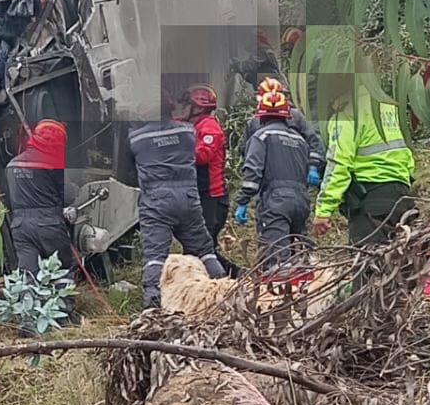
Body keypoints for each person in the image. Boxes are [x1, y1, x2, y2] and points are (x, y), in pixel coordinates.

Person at [124, 91, 227, 308]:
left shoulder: (136, 139)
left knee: (155, 257)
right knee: (205, 250)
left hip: (156, 203)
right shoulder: (188, 131)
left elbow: (128, 171)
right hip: (189, 199)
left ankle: (152, 306)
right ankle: (225, 293)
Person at [312, 85, 416, 246]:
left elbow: (338, 165)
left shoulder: (347, 114)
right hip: (403, 197)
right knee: (403, 265)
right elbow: (407, 153)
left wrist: (323, 211)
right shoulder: (388, 108)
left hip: (371, 202)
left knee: (369, 266)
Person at [233, 85, 313, 273]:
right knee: (302, 259)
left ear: (261, 116)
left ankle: (280, 299)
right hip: (301, 201)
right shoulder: (300, 140)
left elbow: (252, 173)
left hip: (276, 202)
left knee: (277, 264)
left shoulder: (260, 136)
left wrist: (243, 201)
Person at [5, 119, 76, 276]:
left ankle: (28, 300)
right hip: (49, 224)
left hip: (20, 228)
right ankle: (63, 301)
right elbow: (69, 195)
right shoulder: (54, 162)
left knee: (28, 275)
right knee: (62, 271)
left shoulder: (12, 165)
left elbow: (10, 199)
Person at [180, 86, 235, 272]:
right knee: (198, 248)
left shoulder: (209, 126)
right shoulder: (195, 126)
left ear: (197, 107)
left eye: (186, 105)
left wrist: (176, 152)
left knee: (202, 248)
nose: (182, 109)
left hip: (212, 198)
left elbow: (203, 155)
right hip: (202, 196)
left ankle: (235, 276)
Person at [248, 77, 325, 180]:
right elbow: (248, 151)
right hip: (268, 178)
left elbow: (314, 142)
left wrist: (313, 167)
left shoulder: (295, 116)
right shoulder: (254, 122)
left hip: (296, 172)